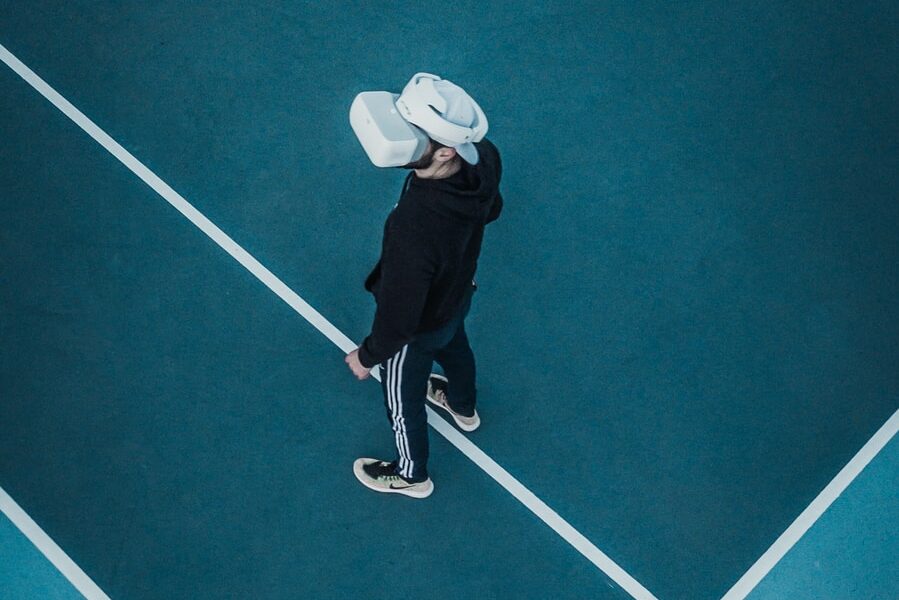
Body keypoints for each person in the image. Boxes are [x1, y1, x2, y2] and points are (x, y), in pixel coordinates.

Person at [345, 74, 503, 498]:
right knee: (456, 348)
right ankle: (463, 407)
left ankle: (412, 475)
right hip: (458, 294)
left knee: (402, 402)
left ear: (446, 150)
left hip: (416, 330)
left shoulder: (413, 227)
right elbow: (493, 210)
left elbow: (399, 318)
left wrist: (368, 355)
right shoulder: (484, 158)